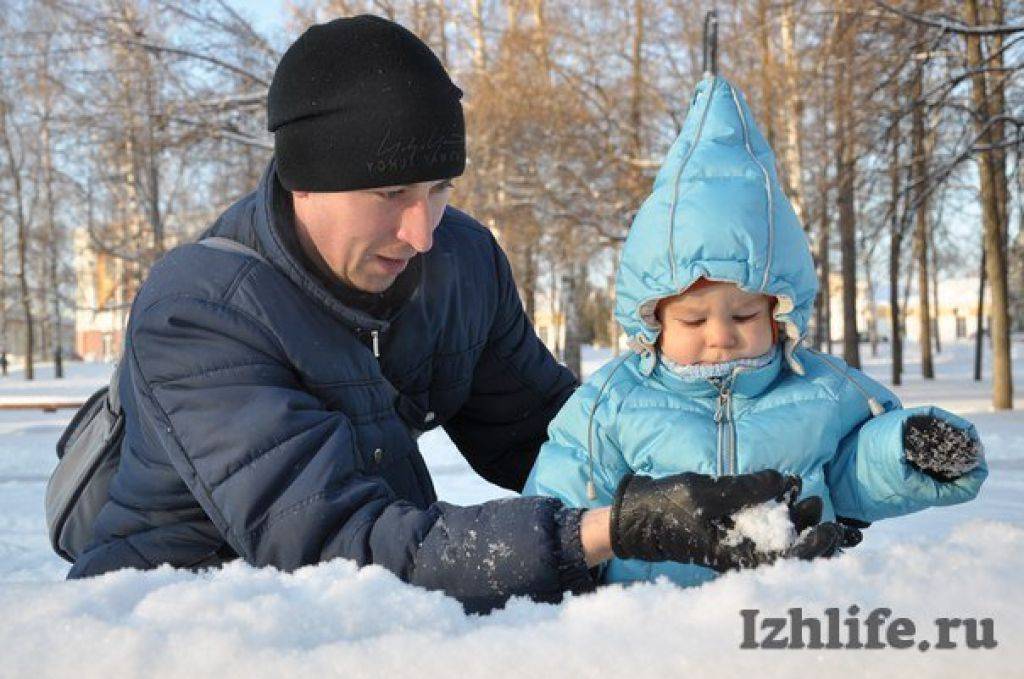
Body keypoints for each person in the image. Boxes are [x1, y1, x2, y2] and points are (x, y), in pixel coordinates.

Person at [67, 17, 840, 613]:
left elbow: (557, 436)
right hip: (176, 621)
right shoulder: (200, 312)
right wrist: (613, 528)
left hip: (364, 612)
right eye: (392, 194)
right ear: (306, 181)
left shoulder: (459, 263)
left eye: (439, 188)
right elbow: (337, 546)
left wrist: (720, 497)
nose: (422, 231)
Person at [524, 75, 987, 587]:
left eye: (744, 316)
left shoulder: (822, 390)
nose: (721, 336)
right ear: (652, 319)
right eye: (694, 320)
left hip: (786, 611)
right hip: (653, 617)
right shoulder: (611, 404)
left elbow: (853, 472)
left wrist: (908, 452)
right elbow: (562, 507)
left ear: (779, 313)